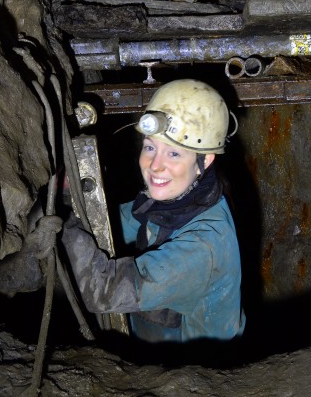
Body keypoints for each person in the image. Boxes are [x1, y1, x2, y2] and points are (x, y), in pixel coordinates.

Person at [61, 79, 246, 343]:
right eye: (150, 147)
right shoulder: (175, 201)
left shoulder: (203, 248)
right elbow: (108, 226)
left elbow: (103, 292)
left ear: (204, 161)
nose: (155, 166)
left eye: (174, 154)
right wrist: (70, 195)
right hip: (154, 351)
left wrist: (63, 220)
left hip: (194, 375)